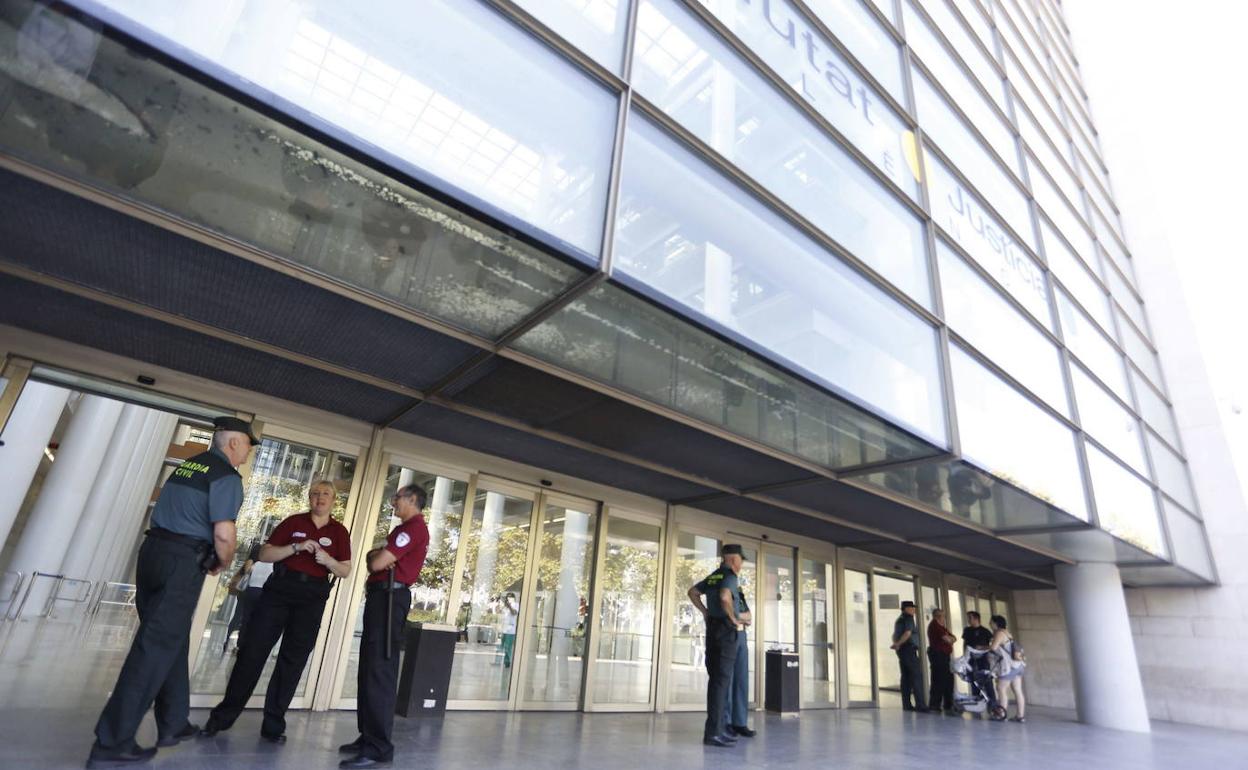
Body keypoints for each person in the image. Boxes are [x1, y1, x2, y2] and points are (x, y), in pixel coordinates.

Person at [87, 416, 256, 768]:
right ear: (234, 443)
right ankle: (112, 741)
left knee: (170, 639)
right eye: (247, 447)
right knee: (155, 646)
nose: (247, 455)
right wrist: (222, 563)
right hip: (182, 561)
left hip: (153, 555)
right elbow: (224, 534)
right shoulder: (226, 476)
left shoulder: (189, 466)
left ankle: (173, 721)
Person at [200, 480, 352, 742]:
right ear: (309, 497)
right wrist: (295, 547)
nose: (319, 497)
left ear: (334, 500)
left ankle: (273, 725)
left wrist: (327, 560)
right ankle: (221, 719)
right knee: (252, 653)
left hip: (312, 598)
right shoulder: (293, 522)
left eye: (325, 494)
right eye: (315, 493)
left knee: (292, 662)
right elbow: (266, 554)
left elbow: (346, 570)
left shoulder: (339, 531)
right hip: (280, 590)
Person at [338, 484, 431, 769]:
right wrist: (378, 558)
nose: (394, 502)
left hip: (391, 598)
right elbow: (374, 561)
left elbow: (377, 562)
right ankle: (367, 736)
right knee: (369, 667)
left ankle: (379, 746)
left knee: (379, 670)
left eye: (398, 498)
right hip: (382, 597)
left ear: (413, 499)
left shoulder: (412, 528)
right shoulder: (403, 529)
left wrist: (380, 557)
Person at [686, 544, 746, 748]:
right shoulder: (729, 576)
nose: (740, 564)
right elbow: (724, 597)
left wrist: (705, 612)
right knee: (721, 683)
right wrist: (733, 619)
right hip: (726, 631)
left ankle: (717, 729)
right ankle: (714, 733)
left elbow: (693, 592)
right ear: (732, 560)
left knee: (717, 681)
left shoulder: (713, 576)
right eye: (740, 560)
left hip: (713, 629)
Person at [889, 600, 928, 712]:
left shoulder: (899, 619)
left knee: (906, 677)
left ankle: (907, 705)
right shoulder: (908, 618)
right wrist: (898, 644)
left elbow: (894, 635)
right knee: (916, 676)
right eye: (912, 608)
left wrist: (897, 644)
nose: (914, 610)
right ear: (906, 608)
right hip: (909, 649)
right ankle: (920, 705)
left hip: (902, 651)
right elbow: (908, 633)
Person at [989, 615, 1026, 723]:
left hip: (1009, 667)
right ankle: (1020, 716)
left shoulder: (1000, 633)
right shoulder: (1008, 633)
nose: (990, 624)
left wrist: (984, 647)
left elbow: (993, 648)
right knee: (1018, 690)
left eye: (991, 622)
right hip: (1018, 665)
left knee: (1001, 688)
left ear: (996, 623)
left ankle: (1001, 714)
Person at [962, 611, 999, 716]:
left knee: (988, 684)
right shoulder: (967, 630)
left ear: (976, 619)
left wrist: (982, 648)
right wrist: (965, 657)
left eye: (970, 618)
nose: (969, 620)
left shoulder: (985, 631)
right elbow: (965, 644)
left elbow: (992, 646)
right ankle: (976, 708)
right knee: (974, 683)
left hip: (983, 660)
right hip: (971, 660)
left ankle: (993, 708)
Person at [926, 608, 957, 714]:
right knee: (938, 679)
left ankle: (948, 704)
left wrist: (951, 639)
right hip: (938, 655)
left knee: (948, 679)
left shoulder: (942, 627)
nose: (944, 618)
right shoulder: (935, 626)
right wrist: (950, 639)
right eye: (943, 616)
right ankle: (935, 705)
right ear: (938, 616)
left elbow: (953, 638)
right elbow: (948, 639)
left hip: (944, 655)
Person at [499, 593, 518, 667]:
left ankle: (508, 662)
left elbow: (514, 613)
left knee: (508, 646)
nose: (509, 599)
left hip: (511, 630)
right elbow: (500, 613)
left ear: (513, 598)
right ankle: (504, 660)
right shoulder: (505, 606)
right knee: (503, 646)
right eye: (507, 597)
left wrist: (509, 606)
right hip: (504, 629)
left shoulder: (516, 605)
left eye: (510, 597)